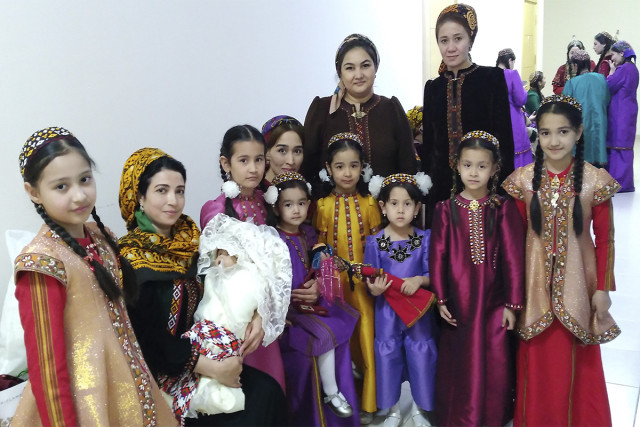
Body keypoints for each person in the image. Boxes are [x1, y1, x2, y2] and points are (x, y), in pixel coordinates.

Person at [13, 128, 176, 426]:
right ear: (33, 192)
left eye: (85, 179)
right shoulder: (42, 263)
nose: (79, 195)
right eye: (61, 186)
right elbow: (47, 370)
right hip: (82, 407)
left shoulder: (101, 239)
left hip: (127, 391)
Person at [119, 147, 286, 425]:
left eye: (180, 191)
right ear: (140, 197)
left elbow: (233, 281)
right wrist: (212, 368)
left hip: (209, 354)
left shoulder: (195, 242)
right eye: (161, 191)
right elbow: (146, 339)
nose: (173, 201)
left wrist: (259, 314)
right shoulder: (129, 259)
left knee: (268, 392)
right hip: (160, 372)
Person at [503, 95, 621, 426]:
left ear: (578, 133)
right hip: (533, 290)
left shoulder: (595, 181)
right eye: (545, 133)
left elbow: (606, 239)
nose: (554, 141)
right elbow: (512, 244)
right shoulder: (523, 180)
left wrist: (603, 289)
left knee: (578, 363)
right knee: (537, 365)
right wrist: (511, 296)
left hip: (580, 289)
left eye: (563, 132)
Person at [429, 130, 525, 426]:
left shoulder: (503, 208)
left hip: (494, 301)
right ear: (457, 165)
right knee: (459, 356)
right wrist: (441, 297)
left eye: (482, 166)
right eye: (467, 165)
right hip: (458, 301)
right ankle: (458, 414)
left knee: (494, 355)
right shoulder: (445, 209)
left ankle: (492, 414)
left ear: (494, 169)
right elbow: (437, 256)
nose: (473, 172)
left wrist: (512, 304)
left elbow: (513, 258)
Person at [265, 171, 360, 426]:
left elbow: (321, 268)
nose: (296, 210)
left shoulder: (309, 234)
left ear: (309, 204)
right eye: (288, 204)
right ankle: (331, 393)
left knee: (342, 320)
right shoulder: (271, 238)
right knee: (325, 335)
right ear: (275, 207)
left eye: (301, 203)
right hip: (291, 311)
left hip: (314, 304)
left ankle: (341, 380)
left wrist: (321, 278)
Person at [199, 125, 288, 391]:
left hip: (268, 313)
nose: (253, 168)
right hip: (237, 317)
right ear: (226, 163)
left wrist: (265, 315)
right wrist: (256, 315)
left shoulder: (268, 202)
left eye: (259, 160)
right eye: (244, 160)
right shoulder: (216, 211)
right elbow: (225, 278)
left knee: (272, 385)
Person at [420, 3, 515, 227]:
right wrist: (427, 190)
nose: (451, 48)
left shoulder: (492, 79)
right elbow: (429, 146)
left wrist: (501, 189)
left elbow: (504, 140)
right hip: (442, 190)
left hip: (484, 186)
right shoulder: (433, 88)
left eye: (458, 38)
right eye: (444, 40)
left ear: (470, 39)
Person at [188, 214, 291, 417]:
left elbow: (249, 298)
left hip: (235, 340)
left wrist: (259, 314)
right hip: (201, 341)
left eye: (227, 253)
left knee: (267, 390)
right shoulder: (212, 273)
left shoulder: (248, 275)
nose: (220, 259)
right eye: (219, 253)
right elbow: (209, 301)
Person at [313, 132, 381, 423]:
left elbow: (377, 245)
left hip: (365, 286)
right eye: (340, 166)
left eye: (354, 165)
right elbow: (319, 244)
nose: (347, 173)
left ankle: (369, 404)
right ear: (329, 168)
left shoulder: (369, 203)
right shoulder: (323, 206)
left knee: (367, 340)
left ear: (362, 167)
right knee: (342, 344)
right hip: (334, 288)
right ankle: (345, 400)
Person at [364, 172, 436, 427]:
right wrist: (374, 290)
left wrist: (418, 280)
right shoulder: (375, 242)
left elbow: (431, 274)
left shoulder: (424, 239)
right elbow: (369, 278)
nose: (401, 210)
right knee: (388, 354)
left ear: (417, 208)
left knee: (421, 354)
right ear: (383, 206)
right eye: (394, 203)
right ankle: (392, 409)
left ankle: (419, 407)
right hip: (387, 311)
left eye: (407, 204)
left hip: (417, 310)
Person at [302, 33, 417, 190]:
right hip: (332, 204)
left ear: (376, 68)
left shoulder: (391, 109)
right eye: (350, 68)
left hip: (386, 204)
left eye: (365, 66)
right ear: (340, 73)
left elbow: (408, 168)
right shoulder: (322, 109)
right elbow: (308, 169)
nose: (359, 75)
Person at [563, 49, 610, 167]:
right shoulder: (601, 79)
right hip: (599, 122)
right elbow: (607, 100)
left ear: (575, 65)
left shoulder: (572, 83)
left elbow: (564, 108)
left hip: (581, 124)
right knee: (598, 157)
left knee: (581, 159)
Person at [607, 40, 638, 192]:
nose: (612, 58)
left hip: (619, 112)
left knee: (617, 146)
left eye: (613, 54)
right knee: (625, 146)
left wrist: (611, 72)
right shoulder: (633, 68)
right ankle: (625, 182)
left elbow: (609, 85)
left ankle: (618, 183)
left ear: (621, 53)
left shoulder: (623, 69)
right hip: (629, 111)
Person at [497, 48, 533, 168]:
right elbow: (521, 99)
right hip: (513, 119)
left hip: (497, 120)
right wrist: (524, 90)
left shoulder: (491, 75)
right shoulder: (512, 74)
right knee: (518, 153)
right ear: (510, 60)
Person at [261, 115, 304, 188]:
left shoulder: (307, 190)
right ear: (266, 152)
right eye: (282, 150)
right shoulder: (251, 191)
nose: (291, 161)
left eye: (297, 151)